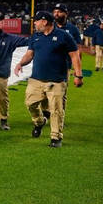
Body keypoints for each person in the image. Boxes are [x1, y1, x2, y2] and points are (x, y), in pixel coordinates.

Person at [14, 11, 83, 148]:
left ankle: (56, 137)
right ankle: (39, 121)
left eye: (37, 21)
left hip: (56, 80)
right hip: (36, 79)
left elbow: (75, 56)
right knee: (30, 104)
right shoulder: (35, 37)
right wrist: (20, 63)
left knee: (56, 109)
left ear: (44, 22)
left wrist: (78, 75)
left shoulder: (64, 36)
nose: (34, 23)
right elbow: (29, 54)